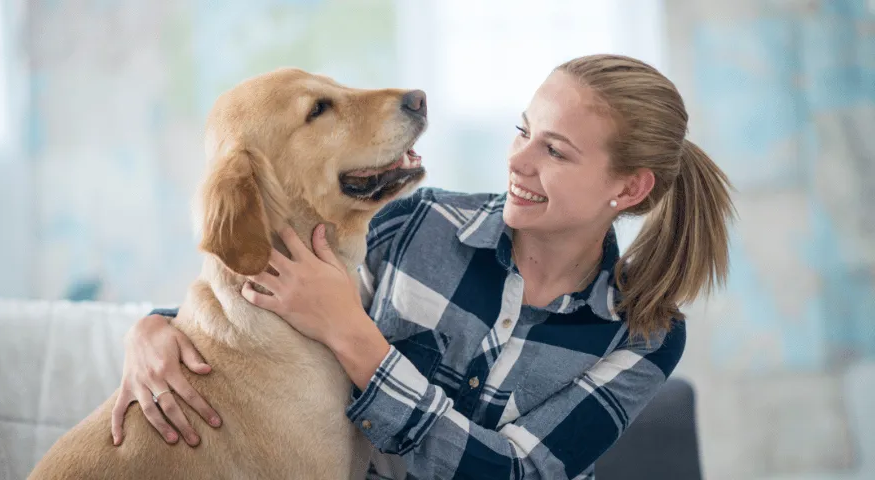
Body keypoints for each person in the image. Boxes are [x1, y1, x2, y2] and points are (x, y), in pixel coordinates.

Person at [111, 54, 734, 478]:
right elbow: (272, 287)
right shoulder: (415, 223)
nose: (518, 161)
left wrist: (356, 340)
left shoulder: (644, 334)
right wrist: (158, 328)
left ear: (626, 191)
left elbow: (514, 471)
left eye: (556, 151)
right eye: (523, 131)